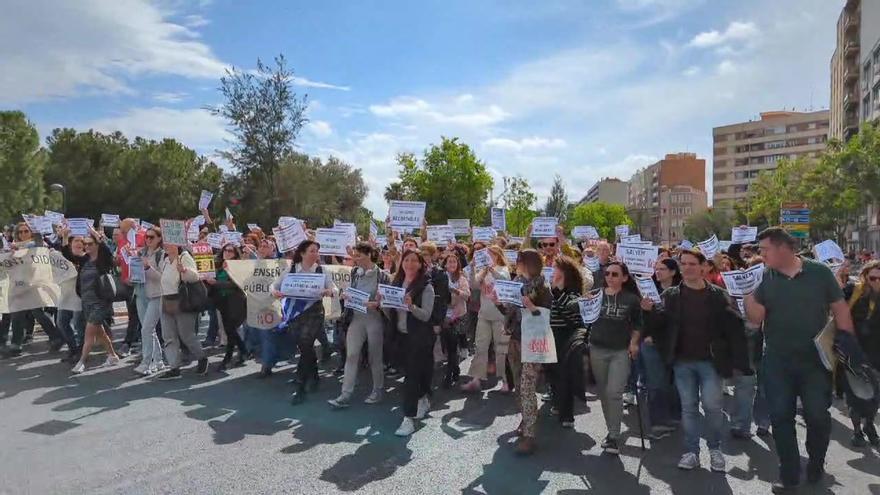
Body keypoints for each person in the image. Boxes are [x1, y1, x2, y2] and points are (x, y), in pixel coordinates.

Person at [743, 227, 859, 493]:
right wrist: (747, 294)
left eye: (764, 249)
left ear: (783, 248)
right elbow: (755, 319)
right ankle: (789, 474)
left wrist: (850, 349)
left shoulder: (819, 272)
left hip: (815, 363)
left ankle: (816, 462)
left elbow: (840, 309)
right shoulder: (765, 278)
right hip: (777, 362)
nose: (760, 254)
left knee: (818, 416)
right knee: (781, 417)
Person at [643, 249, 748, 472]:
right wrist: (649, 312)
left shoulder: (719, 295)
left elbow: (734, 328)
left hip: (711, 362)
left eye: (692, 264)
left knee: (712, 406)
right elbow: (658, 326)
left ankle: (715, 449)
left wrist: (738, 361)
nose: (687, 268)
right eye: (684, 264)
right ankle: (691, 451)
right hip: (682, 362)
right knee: (689, 408)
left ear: (704, 267)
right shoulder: (670, 295)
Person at [495, 248, 552, 455]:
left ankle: (530, 435)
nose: (515, 263)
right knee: (518, 385)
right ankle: (525, 418)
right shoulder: (516, 283)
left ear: (527, 263)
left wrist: (532, 308)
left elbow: (546, 318)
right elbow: (509, 310)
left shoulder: (543, 287)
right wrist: (498, 303)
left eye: (518, 260)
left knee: (528, 387)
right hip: (516, 339)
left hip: (534, 342)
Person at [272, 240, 336, 405]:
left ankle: (300, 386)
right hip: (295, 314)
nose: (316, 254)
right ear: (302, 253)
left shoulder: (322, 270)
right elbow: (274, 285)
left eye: (317, 251)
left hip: (314, 313)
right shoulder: (292, 269)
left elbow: (334, 288)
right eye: (312, 251)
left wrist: (329, 291)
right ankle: (314, 375)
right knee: (304, 346)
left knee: (306, 342)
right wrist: (275, 292)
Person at [380, 249, 435, 437]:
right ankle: (423, 397)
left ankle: (408, 418)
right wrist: (384, 304)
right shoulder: (395, 283)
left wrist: (411, 306)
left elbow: (426, 315)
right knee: (410, 373)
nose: (409, 264)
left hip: (419, 338)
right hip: (400, 337)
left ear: (420, 264)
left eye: (414, 261)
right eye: (406, 260)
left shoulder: (426, 286)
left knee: (410, 379)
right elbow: (391, 315)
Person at [589, 261, 642, 455]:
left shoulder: (631, 299)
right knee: (604, 393)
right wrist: (584, 302)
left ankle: (614, 435)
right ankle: (610, 429)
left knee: (614, 392)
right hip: (597, 348)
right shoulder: (596, 295)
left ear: (624, 278)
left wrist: (634, 343)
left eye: (615, 274)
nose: (610, 277)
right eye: (607, 274)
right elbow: (582, 314)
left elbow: (638, 324)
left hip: (620, 351)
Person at [328, 242, 390, 408]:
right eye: (354, 255)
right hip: (356, 319)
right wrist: (346, 296)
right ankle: (345, 394)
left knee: (374, 357)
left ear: (369, 254)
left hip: (374, 320)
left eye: (358, 255)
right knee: (352, 355)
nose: (355, 258)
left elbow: (387, 302)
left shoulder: (382, 275)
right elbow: (352, 291)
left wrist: (376, 303)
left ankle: (378, 390)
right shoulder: (355, 272)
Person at [2, 222, 67, 358]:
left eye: (26, 231)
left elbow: (37, 254)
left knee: (37, 313)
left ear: (31, 232)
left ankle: (55, 337)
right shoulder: (14, 246)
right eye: (20, 232)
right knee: (21, 313)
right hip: (19, 283)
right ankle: (17, 344)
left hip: (34, 283)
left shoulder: (36, 244)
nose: (23, 234)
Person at [62, 226, 121, 373]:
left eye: (90, 244)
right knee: (100, 332)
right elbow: (67, 254)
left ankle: (81, 362)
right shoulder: (84, 259)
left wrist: (96, 234)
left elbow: (107, 250)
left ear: (97, 245)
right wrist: (64, 236)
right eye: (85, 244)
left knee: (89, 333)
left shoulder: (103, 260)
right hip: (86, 302)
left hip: (100, 303)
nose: (86, 246)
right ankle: (113, 355)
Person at [641, 258, 682, 439]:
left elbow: (675, 320)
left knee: (673, 383)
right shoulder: (649, 291)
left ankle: (674, 415)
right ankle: (659, 423)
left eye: (662, 269)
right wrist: (646, 311)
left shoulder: (681, 292)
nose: (658, 272)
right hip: (652, 344)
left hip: (676, 343)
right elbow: (641, 320)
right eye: (656, 269)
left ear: (673, 272)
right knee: (656, 384)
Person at [461, 245, 511, 392]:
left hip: (500, 316)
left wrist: (491, 270)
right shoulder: (482, 270)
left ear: (498, 255)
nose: (488, 257)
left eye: (491, 255)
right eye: (486, 255)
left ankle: (506, 382)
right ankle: (476, 379)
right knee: (480, 347)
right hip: (484, 314)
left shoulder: (503, 269)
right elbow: (473, 285)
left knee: (501, 349)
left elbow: (504, 281)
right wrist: (474, 268)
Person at [155, 243, 208, 380]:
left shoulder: (184, 257)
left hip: (182, 301)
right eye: (164, 243)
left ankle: (202, 357)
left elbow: (194, 277)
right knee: (168, 336)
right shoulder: (165, 260)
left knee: (186, 335)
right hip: (166, 300)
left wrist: (184, 270)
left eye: (169, 243)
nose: (165, 246)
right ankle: (174, 367)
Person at [547, 256, 587, 428]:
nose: (551, 270)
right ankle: (558, 403)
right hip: (552, 334)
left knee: (565, 375)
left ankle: (567, 415)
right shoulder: (551, 290)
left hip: (567, 336)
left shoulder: (573, 293)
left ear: (563, 272)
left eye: (554, 267)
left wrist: (557, 292)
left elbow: (572, 310)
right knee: (553, 372)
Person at [844, 260, 880, 446]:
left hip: (877, 354)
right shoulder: (853, 291)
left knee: (875, 397)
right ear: (865, 276)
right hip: (854, 351)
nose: (877, 282)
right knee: (856, 395)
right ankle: (857, 431)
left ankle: (869, 424)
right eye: (873, 278)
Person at [205, 243, 248, 370]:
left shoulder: (237, 267)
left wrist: (216, 283)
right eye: (225, 250)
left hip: (235, 302)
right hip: (222, 302)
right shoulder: (218, 265)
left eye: (230, 251)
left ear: (235, 254)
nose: (227, 253)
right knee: (230, 330)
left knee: (230, 330)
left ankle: (227, 359)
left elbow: (234, 285)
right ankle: (243, 351)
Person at [133, 226, 166, 375]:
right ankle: (158, 361)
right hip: (140, 293)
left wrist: (147, 267)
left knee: (146, 329)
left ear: (159, 238)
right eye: (146, 237)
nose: (148, 239)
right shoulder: (141, 253)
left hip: (156, 295)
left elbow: (162, 278)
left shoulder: (162, 255)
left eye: (152, 237)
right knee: (148, 329)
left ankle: (146, 362)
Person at [440, 252, 470, 388]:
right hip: (444, 316)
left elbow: (467, 295)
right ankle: (455, 368)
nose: (452, 264)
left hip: (458, 316)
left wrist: (456, 291)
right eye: (449, 262)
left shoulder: (462, 278)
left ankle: (449, 375)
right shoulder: (441, 277)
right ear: (445, 264)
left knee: (453, 345)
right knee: (448, 346)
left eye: (454, 262)